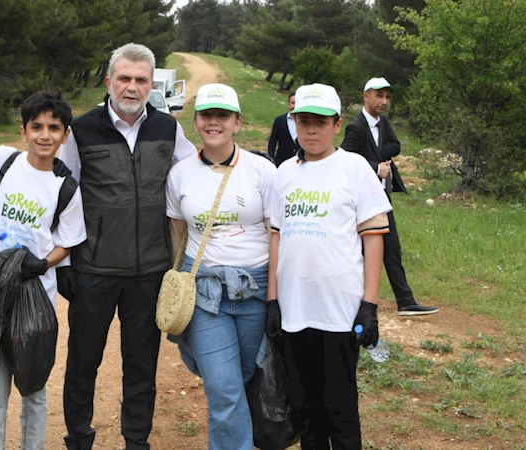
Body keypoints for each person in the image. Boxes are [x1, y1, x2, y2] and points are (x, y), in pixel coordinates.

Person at [59, 42, 197, 450]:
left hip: (150, 272)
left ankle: (136, 440)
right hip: (93, 270)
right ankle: (78, 438)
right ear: (108, 81)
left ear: (152, 84)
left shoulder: (168, 129)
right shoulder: (81, 130)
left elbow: (193, 177)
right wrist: (64, 264)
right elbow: (63, 195)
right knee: (83, 363)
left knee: (141, 366)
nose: (132, 87)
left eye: (141, 80)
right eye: (124, 78)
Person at [265, 83, 392, 449]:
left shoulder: (354, 168)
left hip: (338, 311)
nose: (312, 130)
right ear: (295, 124)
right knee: (306, 410)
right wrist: (273, 301)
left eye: (321, 122)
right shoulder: (284, 173)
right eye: (304, 121)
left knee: (340, 408)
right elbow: (277, 236)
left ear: (337, 124)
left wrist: (369, 305)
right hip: (294, 310)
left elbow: (374, 237)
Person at [165, 83, 276, 450]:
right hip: (206, 293)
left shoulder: (262, 171)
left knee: (244, 379)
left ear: (237, 123)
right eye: (207, 115)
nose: (214, 122)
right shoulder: (180, 174)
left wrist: (277, 297)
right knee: (224, 389)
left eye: (223, 116)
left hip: (256, 288)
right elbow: (177, 234)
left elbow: (277, 235)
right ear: (196, 121)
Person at [0, 91, 87, 450]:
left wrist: (41, 263)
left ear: (65, 135)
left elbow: (67, 241)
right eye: (36, 126)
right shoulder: (3, 164)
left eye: (54, 128)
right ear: (23, 130)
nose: (44, 135)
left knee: (34, 389)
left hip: (35, 298)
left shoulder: (66, 188)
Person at [341, 77, 439, 316]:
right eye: (379, 96)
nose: (384, 101)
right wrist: (376, 167)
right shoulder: (356, 127)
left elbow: (395, 146)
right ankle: (347, 298)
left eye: (387, 97)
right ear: (366, 96)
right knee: (356, 251)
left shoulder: (383, 124)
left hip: (381, 197)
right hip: (361, 199)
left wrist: (377, 156)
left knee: (392, 248)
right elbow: (345, 157)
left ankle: (405, 300)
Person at [267, 91, 299, 167]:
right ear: (288, 104)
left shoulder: (305, 123)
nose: (295, 106)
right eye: (293, 103)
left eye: (297, 103)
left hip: (300, 163)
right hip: (281, 162)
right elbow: (272, 142)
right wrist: (271, 159)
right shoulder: (279, 120)